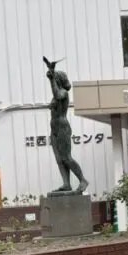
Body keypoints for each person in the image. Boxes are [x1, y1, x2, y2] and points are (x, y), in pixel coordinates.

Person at [45, 66, 89, 194]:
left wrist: (51, 80)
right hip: (54, 128)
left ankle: (83, 180)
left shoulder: (63, 92)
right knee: (59, 159)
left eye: (55, 79)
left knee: (66, 157)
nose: (54, 81)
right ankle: (66, 184)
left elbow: (58, 95)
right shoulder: (55, 95)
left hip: (62, 127)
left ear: (58, 80)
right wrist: (50, 77)